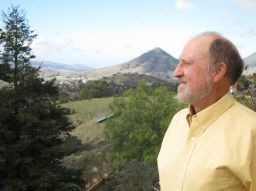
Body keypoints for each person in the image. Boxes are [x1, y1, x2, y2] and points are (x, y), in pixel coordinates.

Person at [157, 31, 256, 191]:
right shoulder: (177, 121)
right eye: (179, 63)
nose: (176, 73)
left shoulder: (251, 132)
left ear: (217, 72)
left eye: (187, 63)